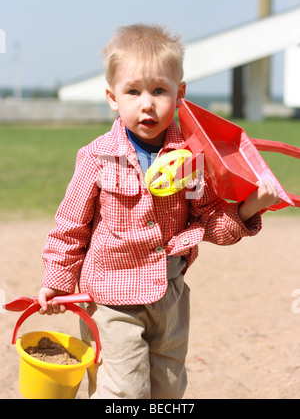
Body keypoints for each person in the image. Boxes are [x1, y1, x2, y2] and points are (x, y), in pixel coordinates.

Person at [38, 24, 279, 399]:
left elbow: (209, 217)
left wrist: (249, 209)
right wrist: (57, 280)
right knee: (125, 392)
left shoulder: (192, 158)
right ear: (112, 97)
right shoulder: (97, 157)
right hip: (110, 297)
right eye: (133, 91)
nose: (146, 103)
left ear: (179, 94)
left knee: (168, 390)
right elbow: (70, 226)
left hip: (169, 295)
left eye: (159, 91)